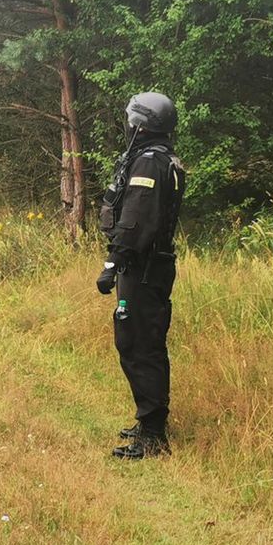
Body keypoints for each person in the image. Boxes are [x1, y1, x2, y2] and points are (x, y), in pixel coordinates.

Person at [96, 92, 186, 460]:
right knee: (142, 343)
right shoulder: (161, 158)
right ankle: (150, 420)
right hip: (150, 267)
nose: (128, 125)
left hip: (143, 269)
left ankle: (153, 435)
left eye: (132, 120)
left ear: (142, 125)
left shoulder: (149, 163)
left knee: (139, 346)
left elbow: (137, 219)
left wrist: (113, 262)